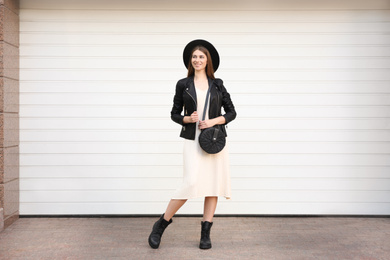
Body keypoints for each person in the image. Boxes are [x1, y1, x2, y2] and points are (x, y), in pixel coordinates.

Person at [148, 39, 237, 250]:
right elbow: (174, 114)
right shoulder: (183, 84)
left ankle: (205, 233)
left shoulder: (218, 84)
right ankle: (162, 223)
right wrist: (187, 119)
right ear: (191, 60)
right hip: (193, 140)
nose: (197, 60)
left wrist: (213, 120)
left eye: (201, 57)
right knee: (190, 182)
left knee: (213, 185)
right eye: (194, 57)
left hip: (213, 140)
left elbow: (232, 112)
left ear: (208, 61)